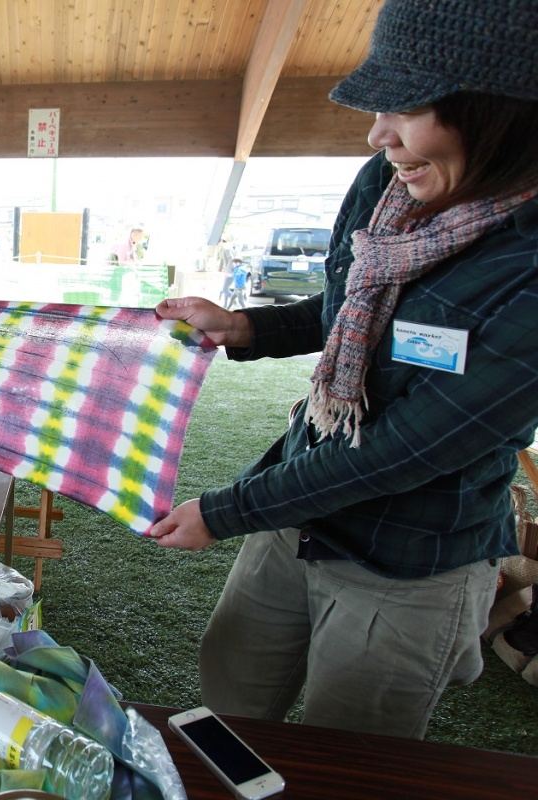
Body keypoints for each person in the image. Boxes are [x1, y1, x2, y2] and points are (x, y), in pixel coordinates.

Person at [150, 0, 538, 740]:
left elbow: (405, 449)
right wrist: (246, 326)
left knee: (351, 744)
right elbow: (348, 307)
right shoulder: (389, 181)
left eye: (406, 107)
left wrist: (226, 511)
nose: (377, 133)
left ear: (501, 113)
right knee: (230, 691)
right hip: (297, 515)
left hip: (412, 558)